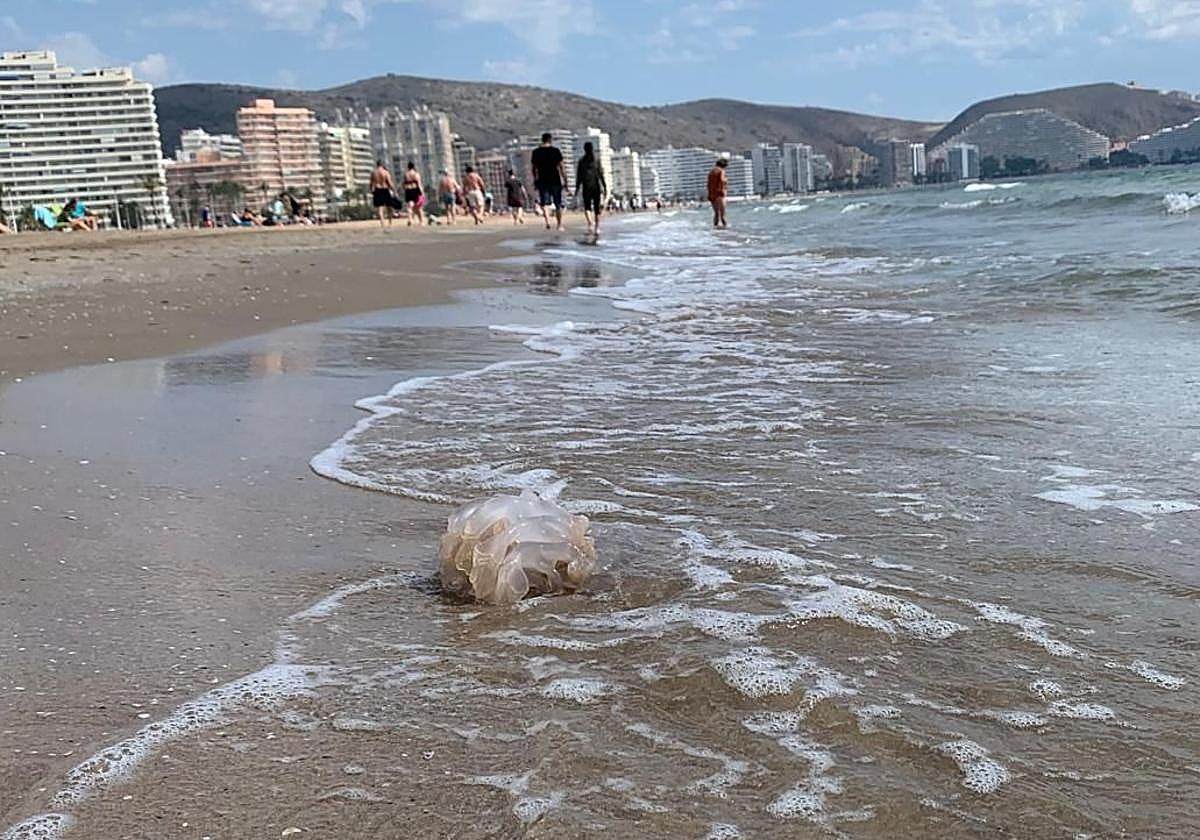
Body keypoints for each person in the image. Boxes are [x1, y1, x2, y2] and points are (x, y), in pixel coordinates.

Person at [530, 132, 567, 231]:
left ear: (542, 140)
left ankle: (547, 222)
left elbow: (533, 169)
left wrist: (535, 179)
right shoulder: (555, 151)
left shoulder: (536, 152)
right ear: (550, 140)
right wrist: (565, 180)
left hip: (542, 180)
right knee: (558, 203)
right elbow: (562, 167)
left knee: (544, 203)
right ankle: (559, 225)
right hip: (555, 180)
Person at [575, 141, 608, 236]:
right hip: (596, 187)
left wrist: (577, 188)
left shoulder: (581, 161)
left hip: (586, 187)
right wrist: (605, 186)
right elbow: (601, 174)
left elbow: (579, 176)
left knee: (587, 207)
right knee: (597, 208)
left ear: (584, 149)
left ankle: (590, 223)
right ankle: (597, 227)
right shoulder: (596, 160)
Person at [370, 160, 396, 229]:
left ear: (377, 164)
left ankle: (382, 224)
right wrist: (393, 189)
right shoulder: (385, 172)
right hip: (385, 189)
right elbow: (389, 183)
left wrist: (371, 190)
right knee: (389, 208)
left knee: (380, 209)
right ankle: (390, 223)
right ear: (382, 165)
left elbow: (371, 183)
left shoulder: (374, 173)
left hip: (377, 190)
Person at [707, 158, 729, 228]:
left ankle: (715, 228)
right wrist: (726, 180)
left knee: (716, 213)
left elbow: (708, 184)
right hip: (719, 194)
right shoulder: (721, 170)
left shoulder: (711, 172)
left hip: (712, 194)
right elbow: (722, 180)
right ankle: (726, 228)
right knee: (723, 214)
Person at [402, 161, 424, 226]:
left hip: (408, 190)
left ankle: (410, 219)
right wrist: (421, 192)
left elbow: (403, 183)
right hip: (415, 190)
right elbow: (419, 184)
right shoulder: (416, 174)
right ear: (414, 166)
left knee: (409, 206)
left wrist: (404, 189)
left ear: (408, 167)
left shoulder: (406, 174)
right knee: (419, 207)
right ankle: (421, 221)